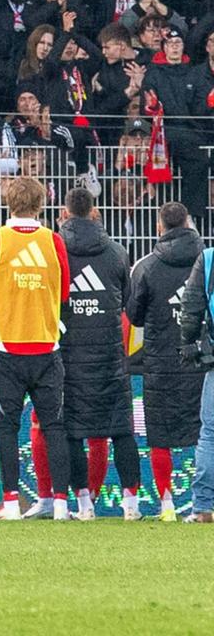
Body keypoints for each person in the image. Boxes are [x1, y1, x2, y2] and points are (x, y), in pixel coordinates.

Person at [0, 175, 73, 520]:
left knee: (6, 427)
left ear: (8, 203)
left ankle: (12, 502)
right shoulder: (53, 241)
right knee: (54, 426)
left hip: (5, 347)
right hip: (46, 345)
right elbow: (64, 292)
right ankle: (61, 503)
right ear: (41, 204)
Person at [54, 188, 142, 521]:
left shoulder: (56, 250)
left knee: (72, 431)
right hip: (110, 356)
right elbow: (127, 303)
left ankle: (84, 504)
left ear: (64, 213)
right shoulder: (117, 252)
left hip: (69, 354)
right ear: (95, 212)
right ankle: (131, 505)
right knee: (121, 429)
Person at [127, 201, 207, 522]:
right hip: (202, 360)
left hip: (160, 362)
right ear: (189, 223)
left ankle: (167, 504)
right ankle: (204, 503)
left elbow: (133, 316)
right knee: (207, 434)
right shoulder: (208, 261)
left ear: (160, 227)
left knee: (160, 436)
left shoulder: (147, 266)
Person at [177, 219, 214, 522]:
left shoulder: (209, 258)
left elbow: (191, 308)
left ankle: (203, 507)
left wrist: (188, 343)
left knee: (211, 435)